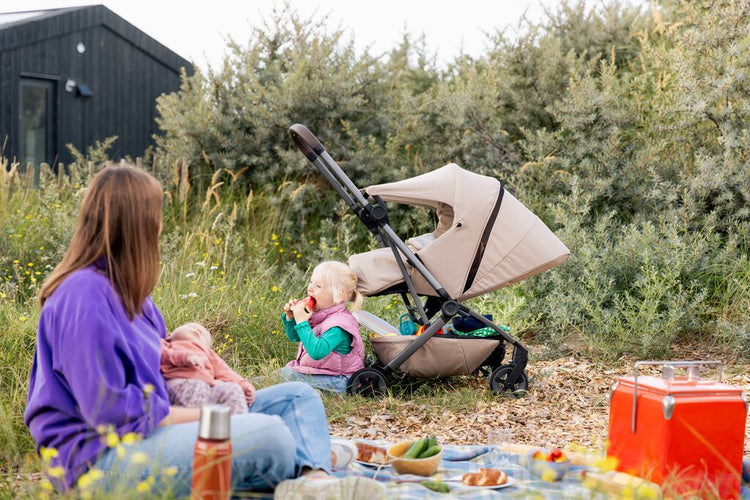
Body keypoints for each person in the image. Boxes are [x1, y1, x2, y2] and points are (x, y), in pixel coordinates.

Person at [23, 164, 383, 499]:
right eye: (157, 215)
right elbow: (112, 413)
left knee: (297, 398)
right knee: (270, 433)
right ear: (138, 224)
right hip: (99, 459)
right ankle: (307, 459)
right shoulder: (82, 295)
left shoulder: (132, 294)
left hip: (157, 426)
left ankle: (313, 480)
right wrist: (219, 415)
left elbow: (162, 368)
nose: (161, 227)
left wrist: (187, 340)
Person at [278, 261, 365, 393]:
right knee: (286, 374)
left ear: (338, 296)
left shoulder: (340, 325)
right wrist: (291, 318)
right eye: (311, 282)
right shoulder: (321, 314)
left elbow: (317, 352)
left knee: (286, 375)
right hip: (322, 373)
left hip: (339, 381)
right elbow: (295, 337)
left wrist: (302, 322)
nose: (310, 288)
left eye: (318, 286)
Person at [160, 322, 255, 415]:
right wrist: (184, 357)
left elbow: (226, 372)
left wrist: (244, 385)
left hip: (206, 390)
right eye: (191, 327)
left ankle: (239, 420)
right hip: (180, 385)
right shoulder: (166, 344)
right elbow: (161, 354)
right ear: (170, 335)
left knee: (233, 389)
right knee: (197, 389)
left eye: (204, 337)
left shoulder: (207, 353)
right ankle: (190, 420)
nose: (199, 331)